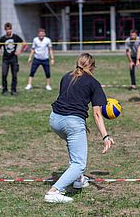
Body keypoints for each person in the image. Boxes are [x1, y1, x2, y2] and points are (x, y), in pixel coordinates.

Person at [45, 53, 115, 203]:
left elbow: (67, 100)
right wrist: (105, 136)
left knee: (73, 146)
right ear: (93, 67)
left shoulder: (66, 76)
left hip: (55, 120)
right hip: (72, 123)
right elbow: (97, 113)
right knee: (79, 164)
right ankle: (54, 192)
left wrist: (79, 123)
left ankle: (78, 180)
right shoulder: (93, 83)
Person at [0, 22, 25, 96]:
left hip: (14, 59)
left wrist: (20, 51)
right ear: (5, 30)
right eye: (7, 30)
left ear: (11, 29)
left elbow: (24, 44)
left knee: (14, 75)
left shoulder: (15, 37)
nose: (9, 31)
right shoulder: (3, 38)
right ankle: (4, 90)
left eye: (10, 29)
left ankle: (13, 90)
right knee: (4, 74)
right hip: (5, 59)